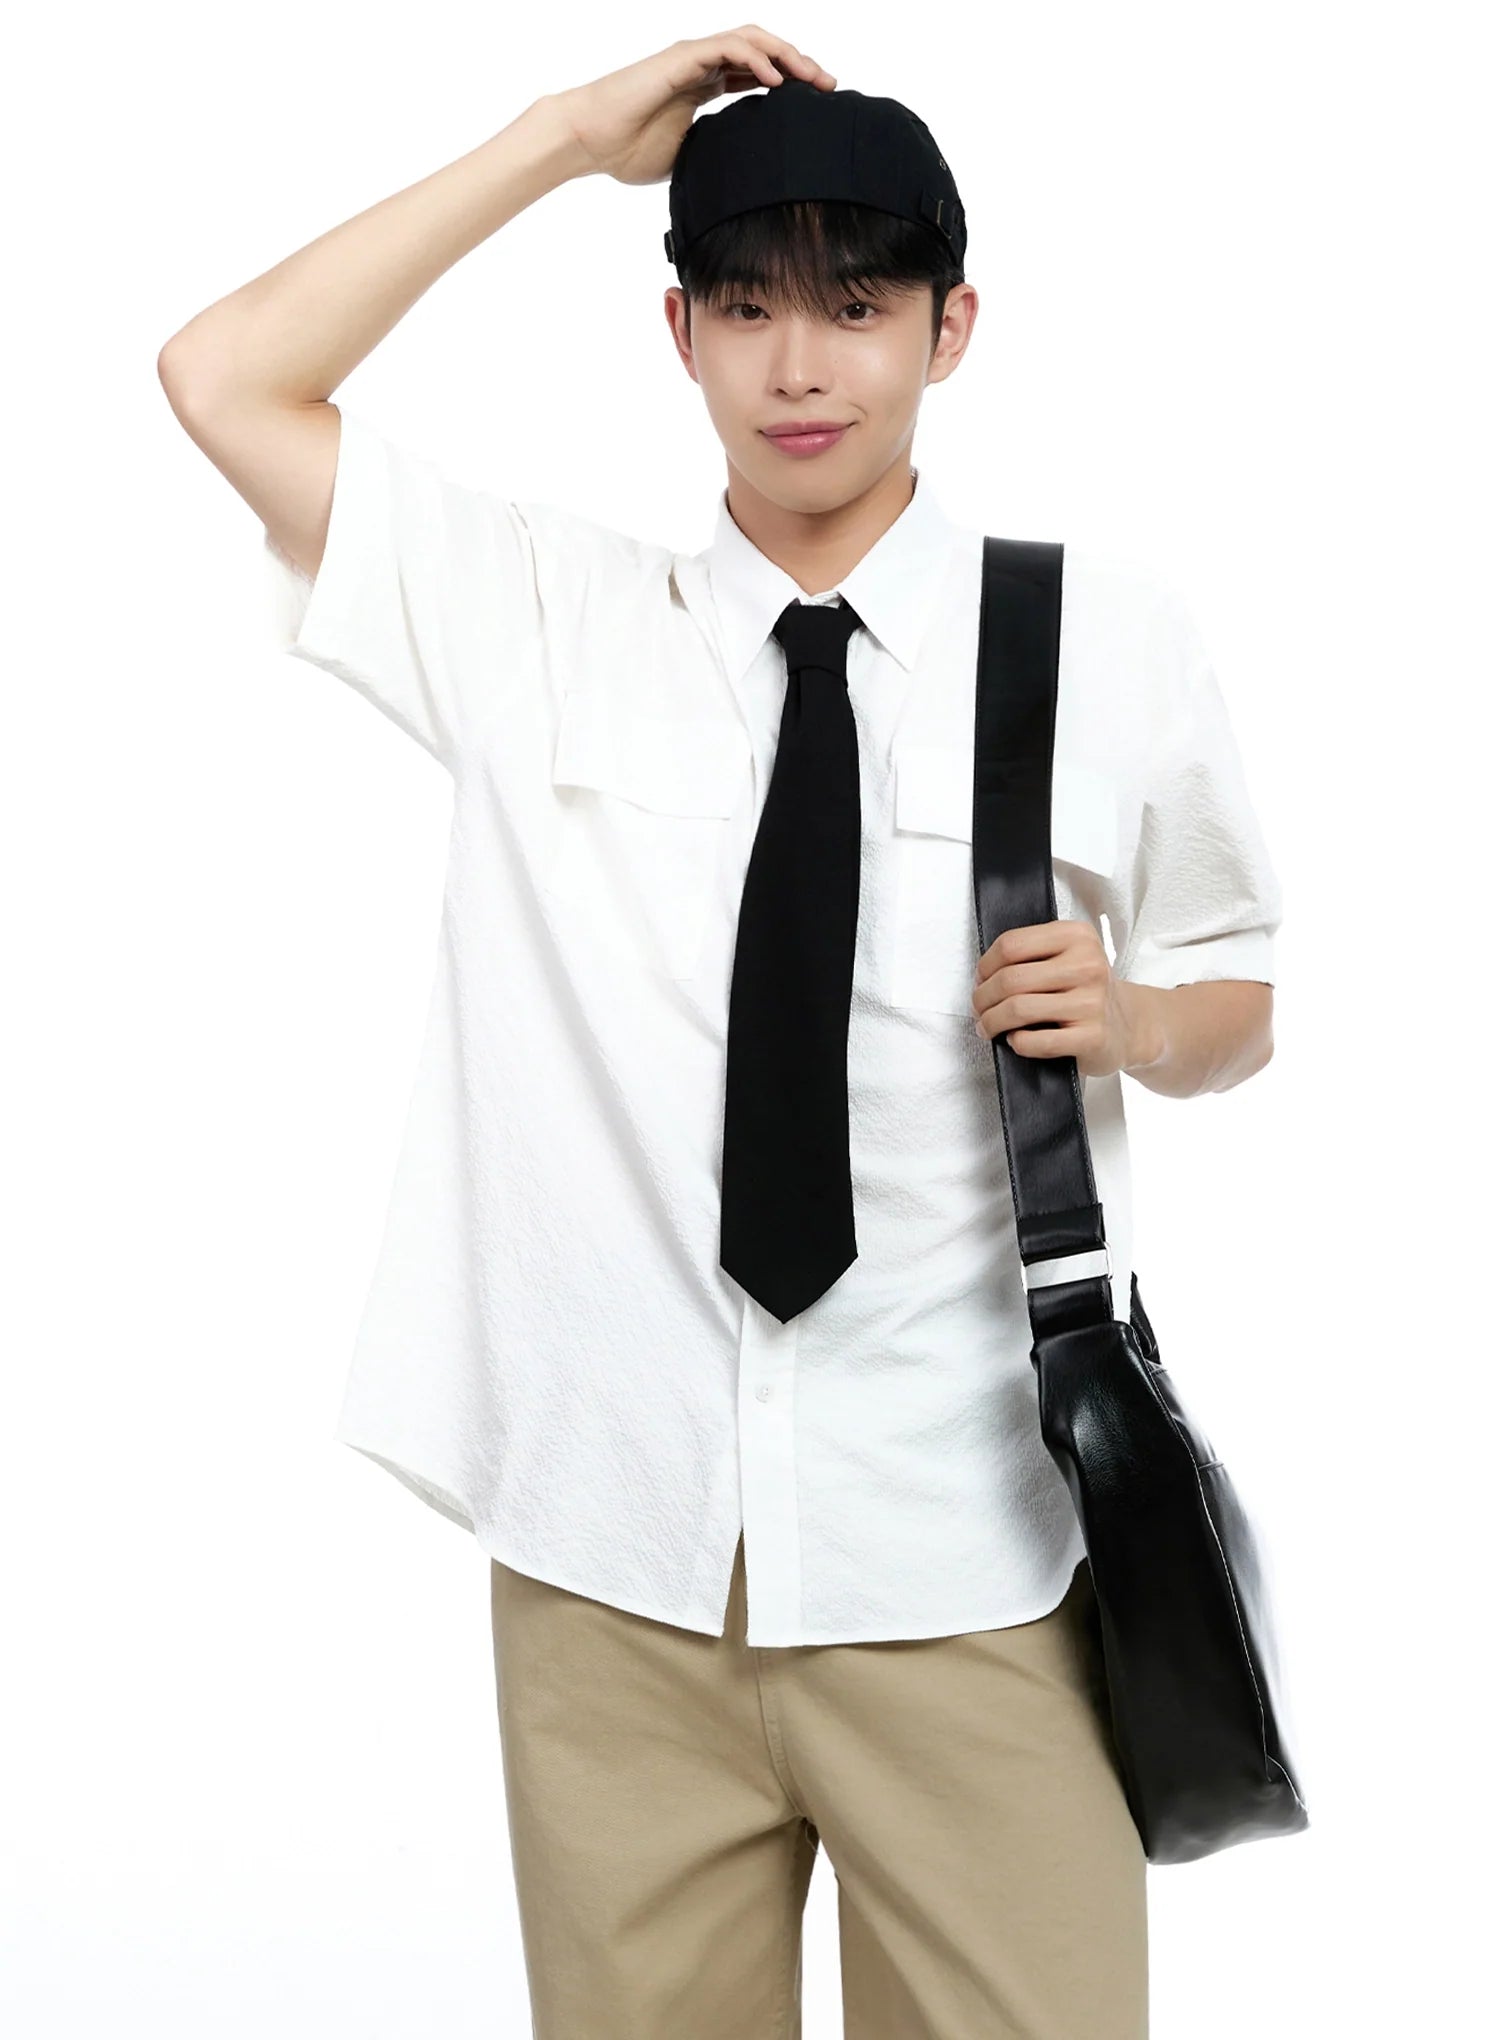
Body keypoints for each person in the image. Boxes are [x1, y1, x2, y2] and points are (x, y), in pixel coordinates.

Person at [159, 26, 1281, 2037]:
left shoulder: (1102, 637)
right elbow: (222, 377)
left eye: (857, 307)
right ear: (675, 332)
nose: (801, 367)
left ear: (950, 327)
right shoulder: (539, 620)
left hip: (966, 1558)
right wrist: (559, 138)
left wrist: (1135, 1021)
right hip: (617, 1574)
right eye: (747, 308)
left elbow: (1241, 998)